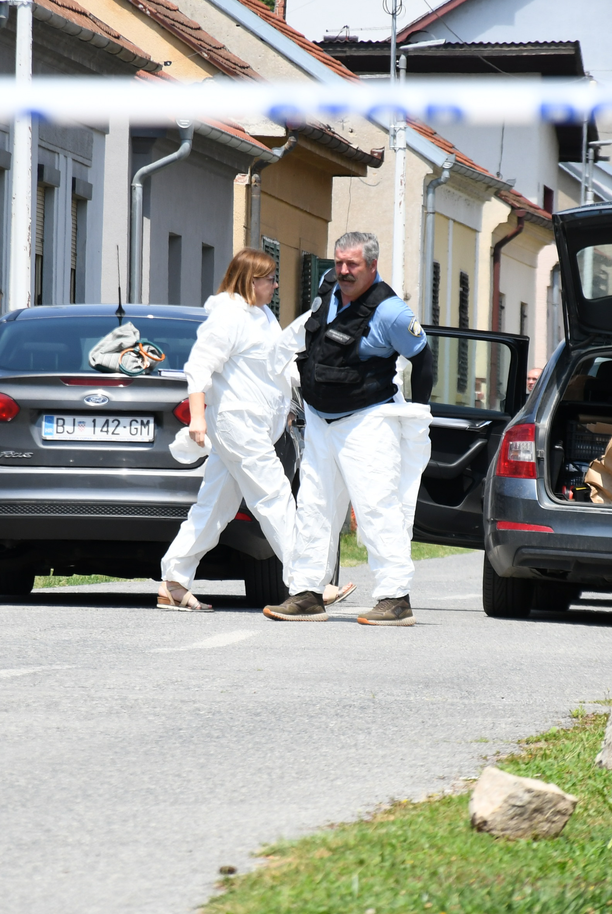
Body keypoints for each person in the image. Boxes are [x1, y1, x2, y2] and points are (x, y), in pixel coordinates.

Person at [265, 232, 436, 626]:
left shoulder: (392, 312)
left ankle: (395, 598)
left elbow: (424, 360)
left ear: (372, 266)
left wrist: (419, 413)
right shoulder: (328, 288)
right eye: (339, 262)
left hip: (368, 420)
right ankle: (307, 593)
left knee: (376, 506)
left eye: (352, 264)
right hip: (320, 419)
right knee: (314, 505)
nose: (343, 271)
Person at [157, 249, 298, 611]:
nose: (275, 285)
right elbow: (199, 367)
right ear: (251, 281)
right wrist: (197, 417)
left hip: (253, 426)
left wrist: (287, 406)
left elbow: (274, 366)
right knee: (274, 495)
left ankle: (173, 581)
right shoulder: (229, 316)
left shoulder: (264, 315)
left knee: (213, 508)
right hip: (238, 424)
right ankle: (307, 582)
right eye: (270, 279)